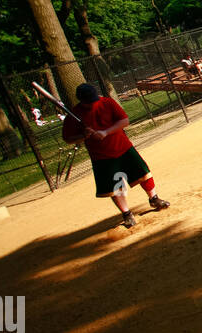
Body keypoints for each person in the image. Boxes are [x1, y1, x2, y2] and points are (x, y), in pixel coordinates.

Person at [62, 83, 170, 229]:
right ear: (81, 100)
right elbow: (68, 139)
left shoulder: (107, 102)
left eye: (93, 100)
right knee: (116, 186)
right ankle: (127, 214)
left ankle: (154, 199)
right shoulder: (74, 115)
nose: (92, 104)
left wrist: (106, 132)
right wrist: (83, 135)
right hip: (101, 157)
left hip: (123, 147)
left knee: (143, 173)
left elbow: (124, 120)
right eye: (88, 102)